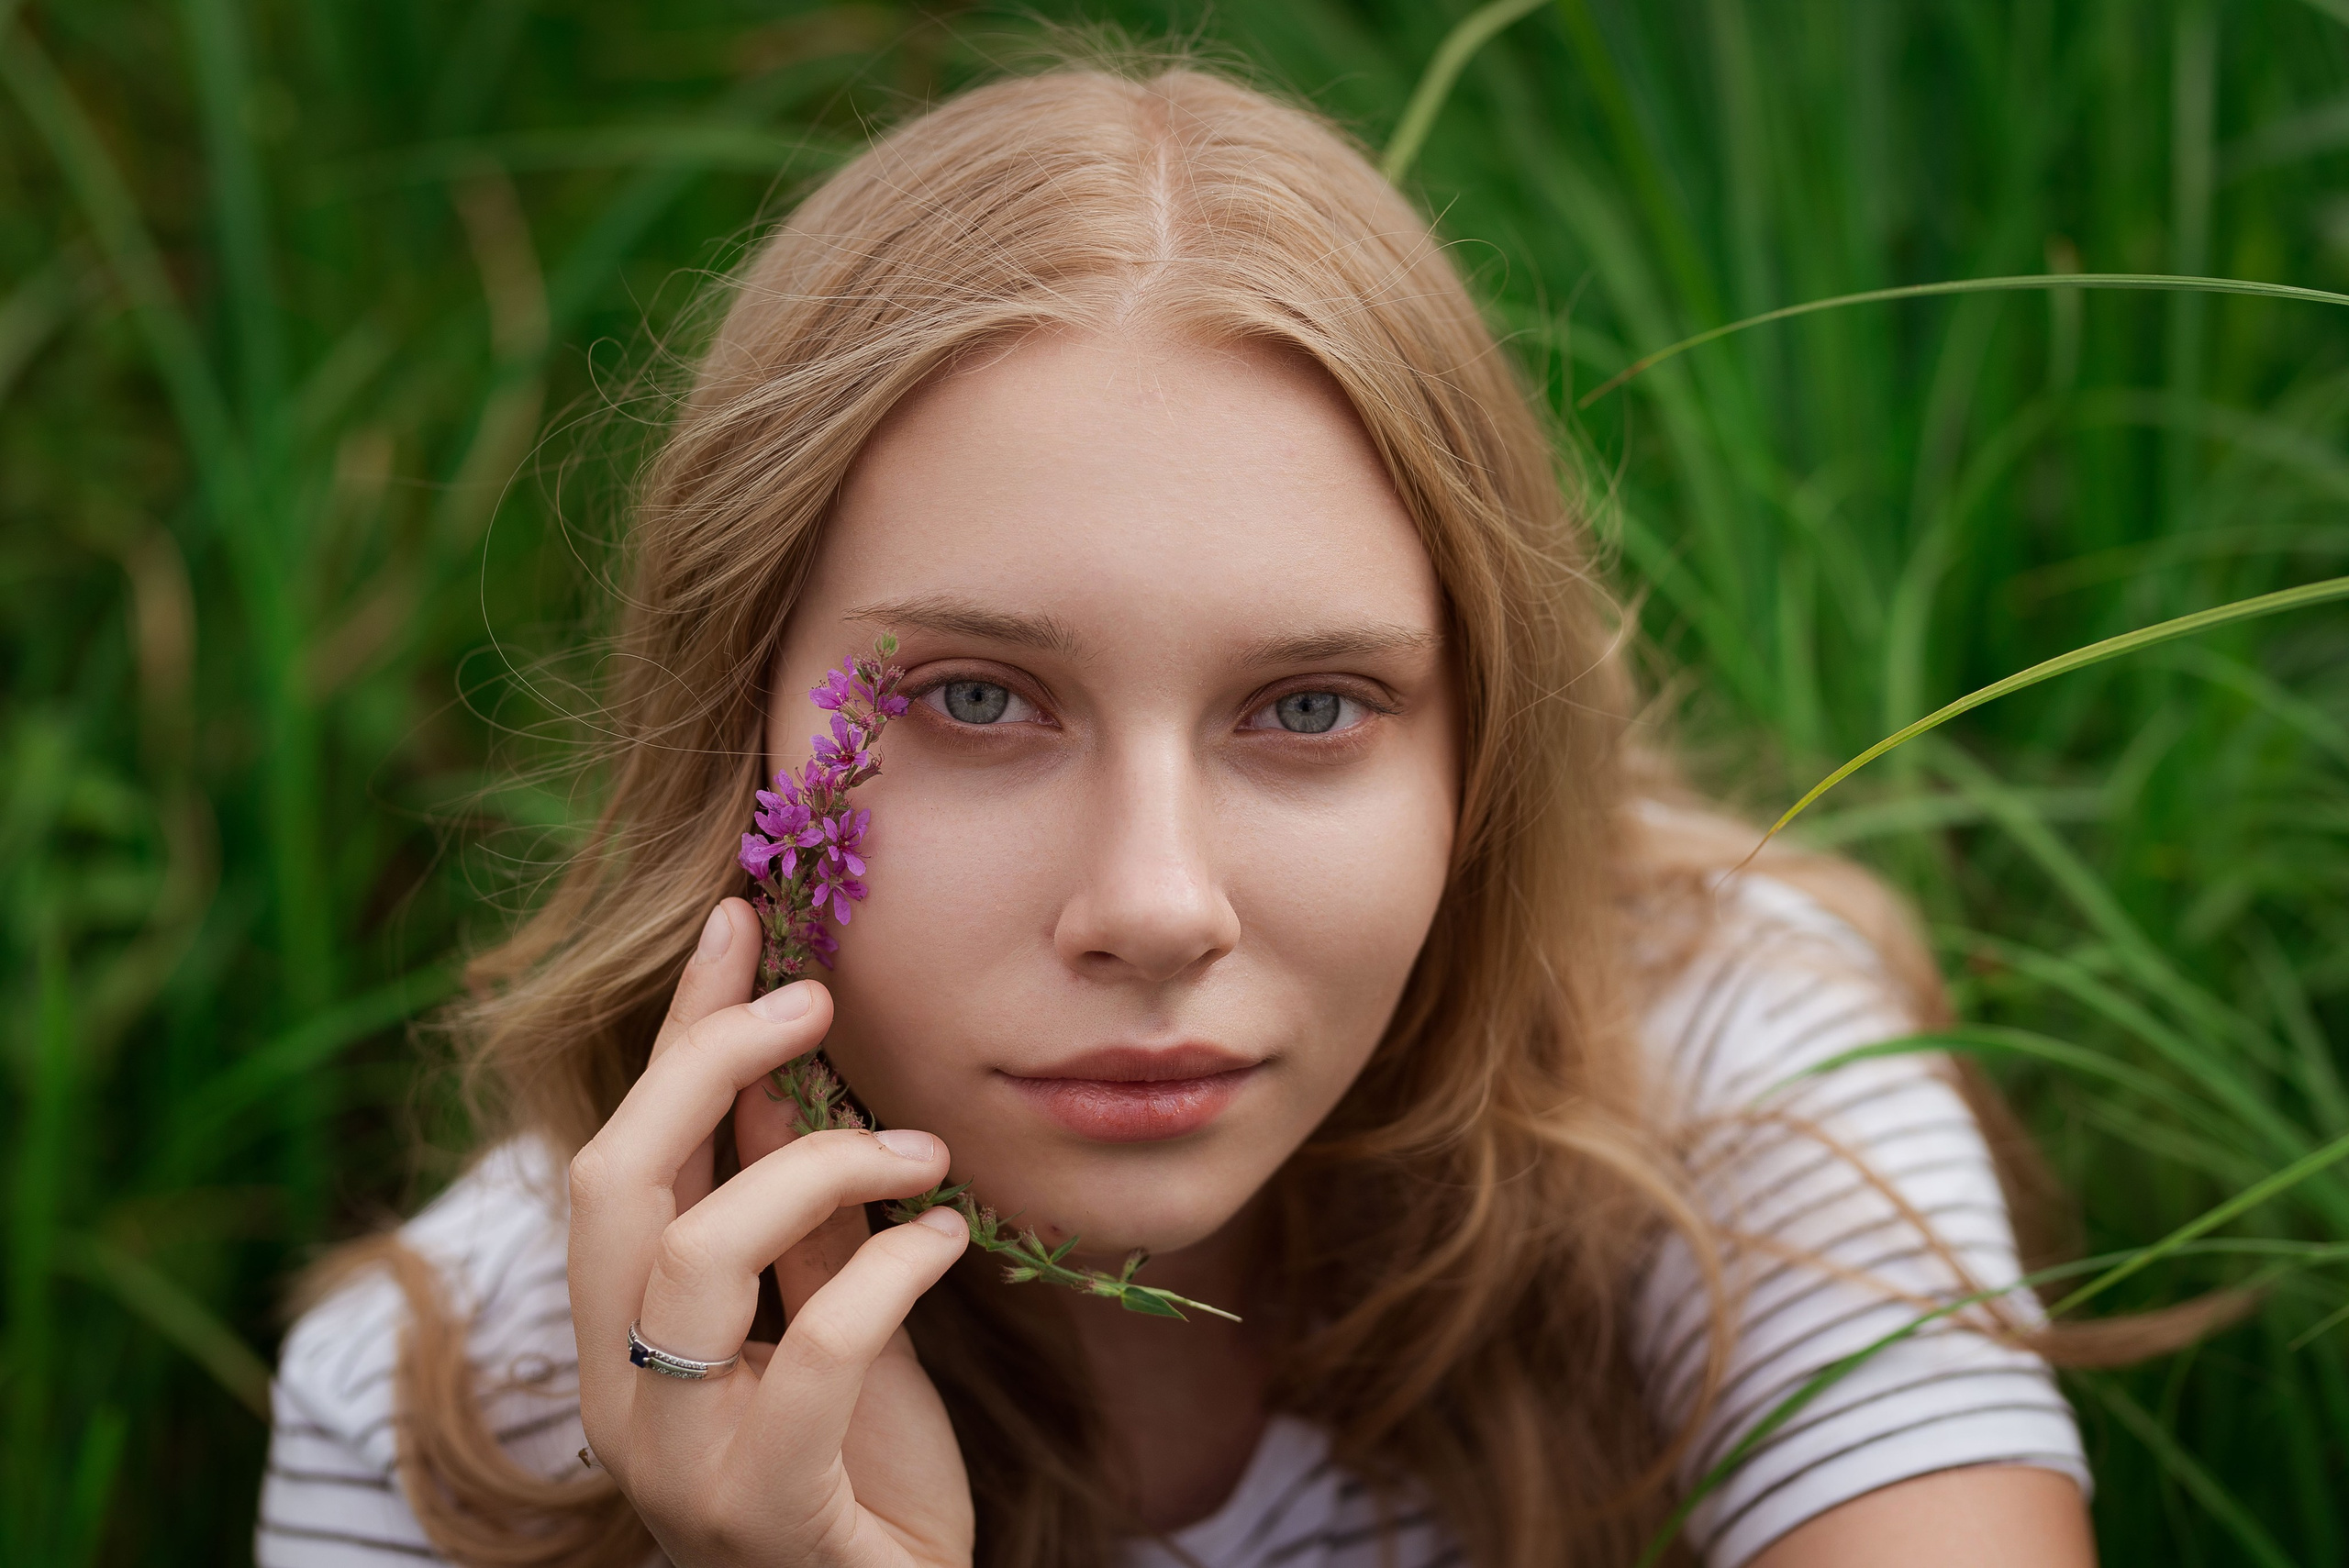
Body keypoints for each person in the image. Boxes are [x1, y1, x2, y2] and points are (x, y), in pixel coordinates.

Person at [257, 60, 2106, 1568]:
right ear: (732, 720)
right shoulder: (449, 1401)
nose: (1152, 906)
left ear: (1478, 760)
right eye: (975, 700)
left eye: (1308, 707)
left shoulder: (1715, 1089)